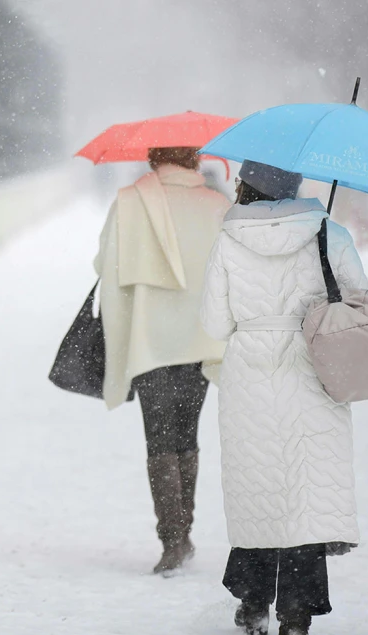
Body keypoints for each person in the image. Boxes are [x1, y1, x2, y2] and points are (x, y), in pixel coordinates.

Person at [200, 160, 368, 635]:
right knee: (305, 493)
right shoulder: (328, 234)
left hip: (250, 373)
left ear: (247, 185)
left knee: (259, 486)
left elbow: (213, 323)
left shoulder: (229, 240)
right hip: (314, 367)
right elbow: (361, 301)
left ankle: (253, 601)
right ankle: (296, 617)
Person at [93, 146, 230, 574]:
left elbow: (104, 262)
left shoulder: (130, 201)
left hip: (148, 340)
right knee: (187, 435)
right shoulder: (217, 204)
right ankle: (183, 532)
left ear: (154, 158)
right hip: (201, 336)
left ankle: (173, 539)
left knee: (159, 438)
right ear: (194, 159)